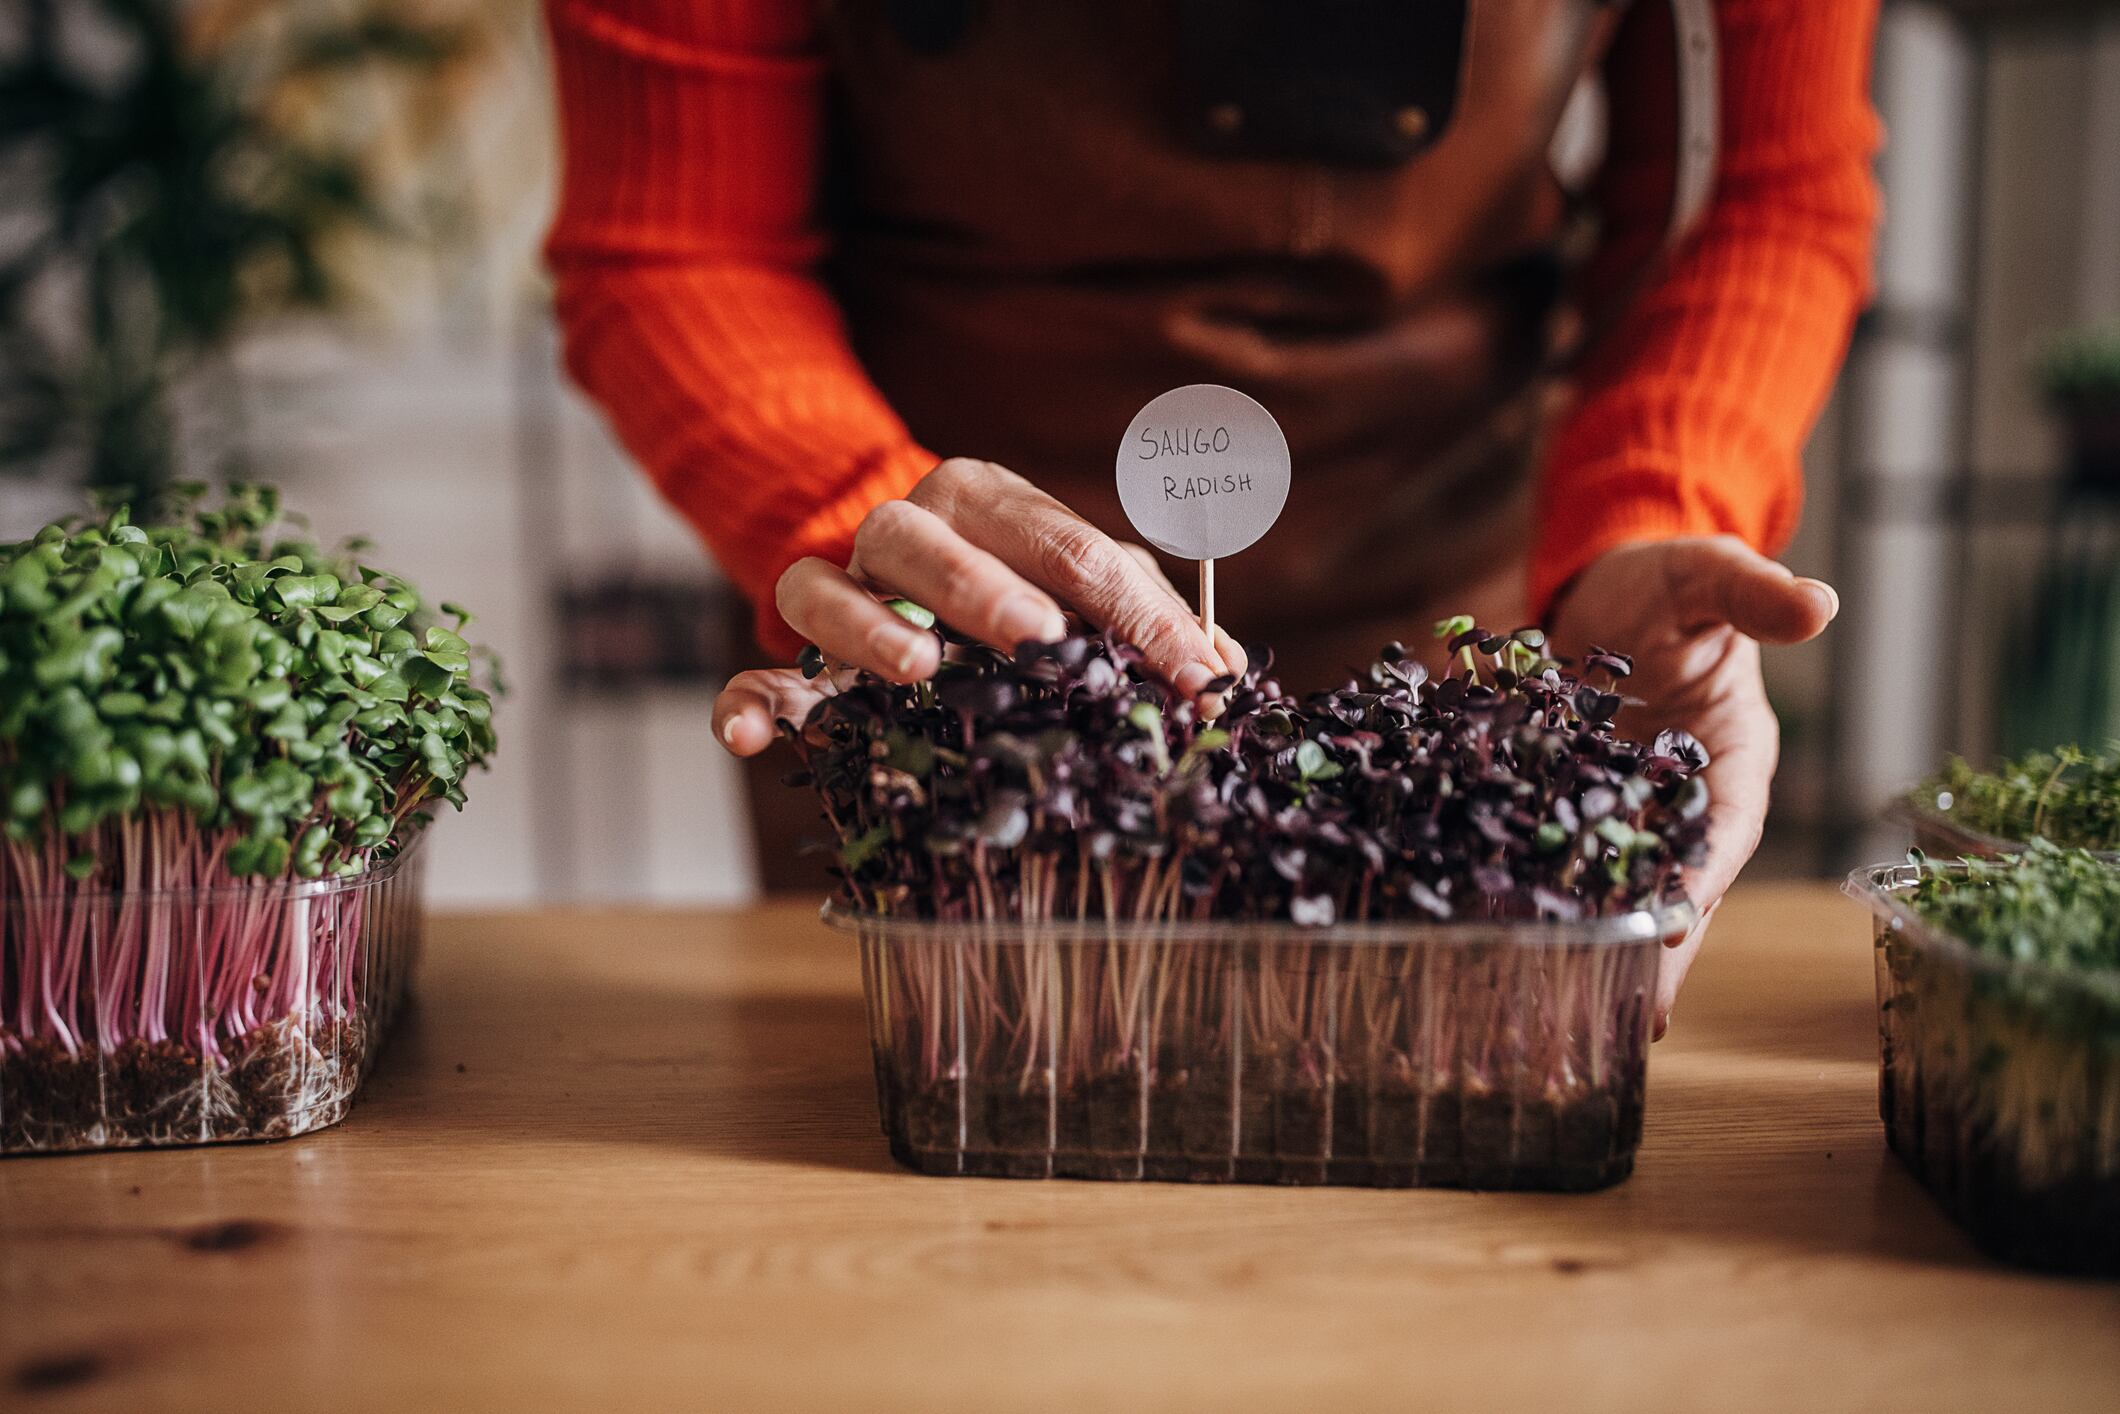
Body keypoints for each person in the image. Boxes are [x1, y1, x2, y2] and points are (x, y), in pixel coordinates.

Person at [544, 0, 1879, 1032]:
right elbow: (678, 239)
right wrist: (844, 506)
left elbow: (1758, 187)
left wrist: (1657, 507)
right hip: (940, 643)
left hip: (1466, 610)